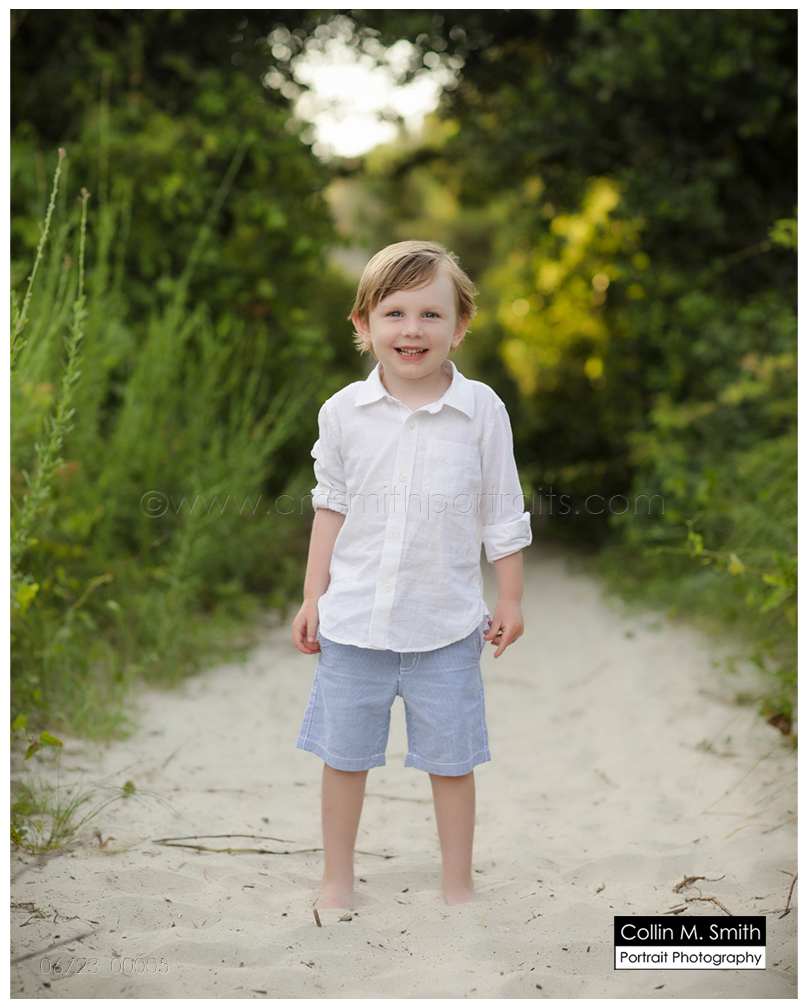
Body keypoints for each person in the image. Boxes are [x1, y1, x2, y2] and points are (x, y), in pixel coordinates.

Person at [292, 240, 532, 909]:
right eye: (394, 313)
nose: (413, 329)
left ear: (459, 326)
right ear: (363, 324)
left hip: (446, 626)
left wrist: (510, 597)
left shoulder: (482, 410)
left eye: (431, 314)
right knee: (344, 756)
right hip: (354, 623)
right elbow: (330, 506)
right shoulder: (343, 412)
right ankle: (337, 879)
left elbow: (501, 508)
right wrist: (313, 596)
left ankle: (458, 883)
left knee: (452, 760)